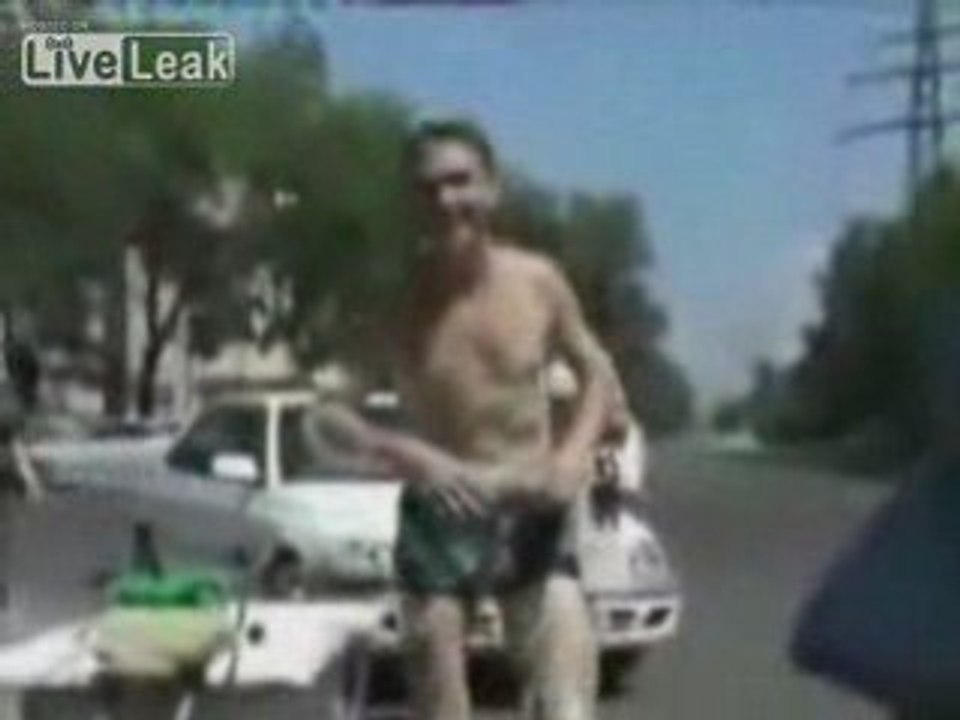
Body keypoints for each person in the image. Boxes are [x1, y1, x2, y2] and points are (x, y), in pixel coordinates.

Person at [317, 118, 629, 720]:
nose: (445, 201)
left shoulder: (537, 281)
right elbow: (326, 416)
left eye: (460, 182)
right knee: (437, 681)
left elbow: (596, 369)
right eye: (428, 188)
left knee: (565, 697)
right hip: (441, 511)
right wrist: (410, 456)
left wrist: (572, 456)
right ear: (411, 203)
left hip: (530, 502)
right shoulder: (396, 302)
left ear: (492, 188)